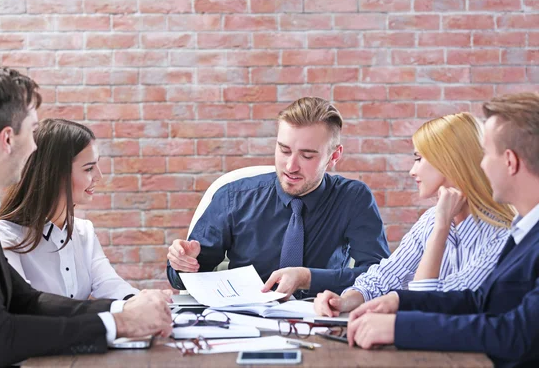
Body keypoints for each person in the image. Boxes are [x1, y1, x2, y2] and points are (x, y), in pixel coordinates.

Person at [0, 66, 171, 367]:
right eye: (32, 131)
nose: (36, 147)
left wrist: (123, 309)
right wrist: (120, 325)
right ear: (7, 139)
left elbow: (27, 301)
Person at [345, 93, 539, 368]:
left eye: (486, 154)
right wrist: (399, 302)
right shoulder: (526, 231)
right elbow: (479, 300)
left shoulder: (509, 234)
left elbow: (515, 333)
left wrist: (399, 327)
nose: (480, 165)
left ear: (510, 161)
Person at [166, 97, 390, 298]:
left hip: (319, 319)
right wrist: (184, 263)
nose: (291, 166)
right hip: (243, 321)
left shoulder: (353, 198)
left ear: (334, 156)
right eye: (284, 150)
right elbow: (186, 279)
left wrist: (308, 278)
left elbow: (379, 276)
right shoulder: (233, 196)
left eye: (307, 155)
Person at [314, 112, 514, 316]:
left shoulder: (502, 236)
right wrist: (344, 300)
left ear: (450, 162)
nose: (412, 171)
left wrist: (442, 227)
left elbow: (428, 304)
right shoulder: (430, 220)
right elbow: (385, 276)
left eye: (419, 159)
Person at [0, 119, 139, 301]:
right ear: (56, 174)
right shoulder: (6, 236)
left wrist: (143, 301)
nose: (99, 176)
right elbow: (25, 306)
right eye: (88, 168)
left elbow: (109, 284)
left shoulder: (83, 231)